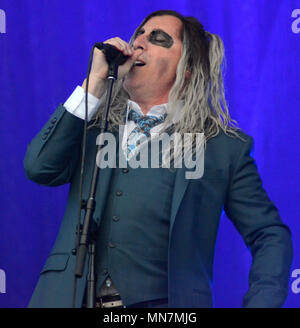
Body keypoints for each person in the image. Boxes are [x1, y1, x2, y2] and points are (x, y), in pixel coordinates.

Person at [24, 10, 293, 308]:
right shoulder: (90, 123)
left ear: (187, 67)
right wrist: (95, 83)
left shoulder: (222, 147)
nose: (138, 42)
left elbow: (269, 234)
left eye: (157, 38)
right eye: (138, 34)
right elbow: (39, 168)